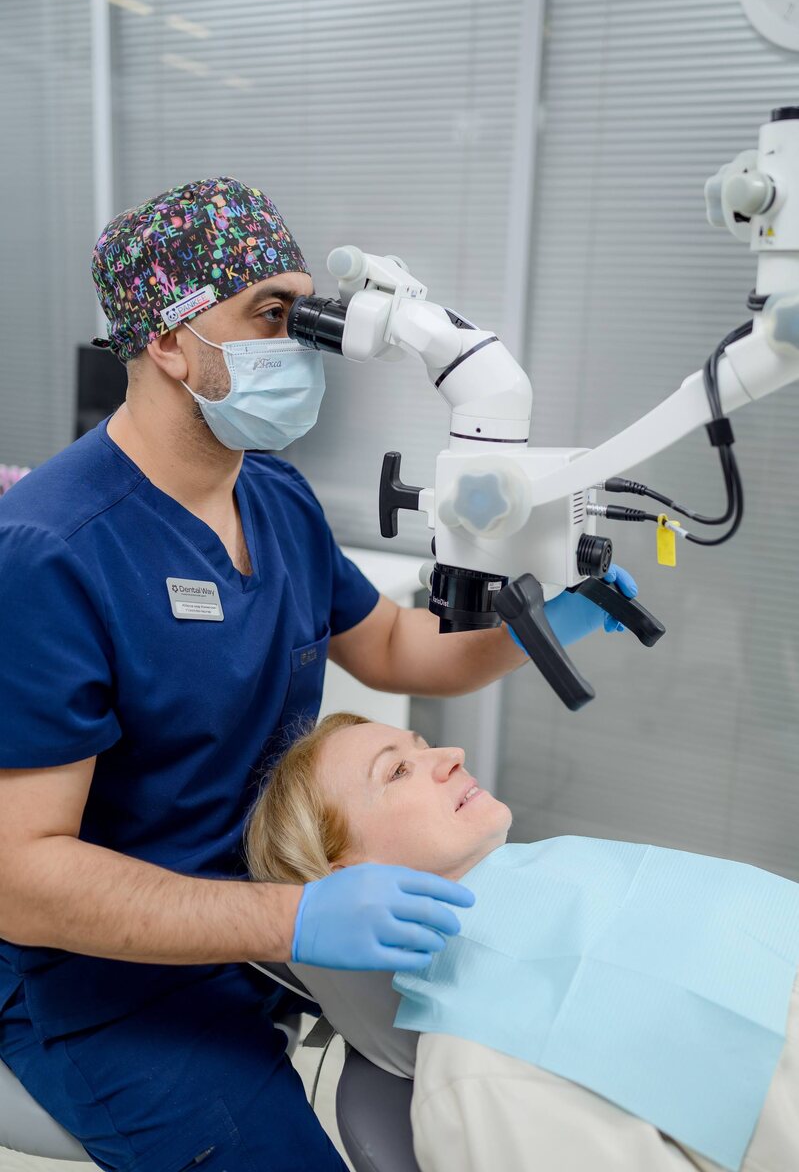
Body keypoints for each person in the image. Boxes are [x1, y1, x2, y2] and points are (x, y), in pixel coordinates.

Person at [0, 177, 634, 1171]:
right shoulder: (50, 552)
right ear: (166, 342)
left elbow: (392, 648)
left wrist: (548, 623)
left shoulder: (275, 496)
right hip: (104, 979)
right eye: (271, 316)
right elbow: (22, 880)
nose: (303, 347)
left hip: (265, 926)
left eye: (308, 317)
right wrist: (296, 917)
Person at [244, 712, 799, 1172]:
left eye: (423, 745)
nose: (452, 754)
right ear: (347, 881)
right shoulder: (476, 1076)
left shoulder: (576, 873)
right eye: (398, 771)